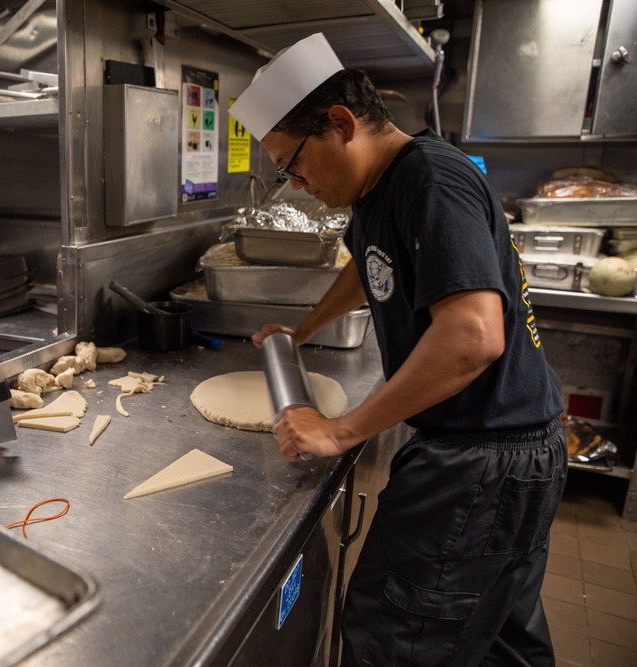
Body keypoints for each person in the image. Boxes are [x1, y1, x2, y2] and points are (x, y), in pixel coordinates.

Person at [231, 34, 567, 666]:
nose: (296, 184)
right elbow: (368, 263)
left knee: (394, 640)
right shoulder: (378, 191)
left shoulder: (432, 180)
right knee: (498, 640)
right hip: (508, 453)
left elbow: (474, 335)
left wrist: (340, 430)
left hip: (480, 461)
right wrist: (302, 331)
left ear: (340, 124)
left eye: (293, 165)